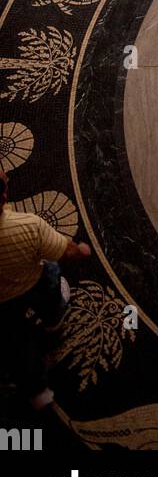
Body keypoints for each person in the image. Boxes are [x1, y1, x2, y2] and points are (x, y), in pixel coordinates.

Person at [0, 167, 91, 409]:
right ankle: (53, 323)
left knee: (16, 343)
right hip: (32, 282)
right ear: (4, 196)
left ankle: (37, 394)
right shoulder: (28, 226)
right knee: (50, 274)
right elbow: (66, 252)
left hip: (2, 304)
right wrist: (82, 250)